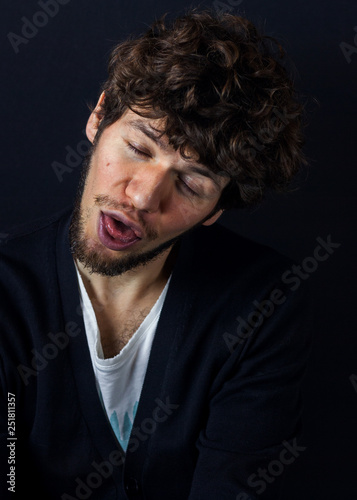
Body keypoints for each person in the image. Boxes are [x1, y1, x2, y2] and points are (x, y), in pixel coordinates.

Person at [0, 9, 312, 500]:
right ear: (99, 117)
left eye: (190, 183)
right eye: (139, 149)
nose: (144, 197)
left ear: (215, 210)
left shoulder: (262, 304)